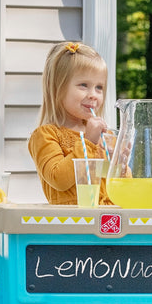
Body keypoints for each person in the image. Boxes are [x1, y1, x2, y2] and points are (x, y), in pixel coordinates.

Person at [28, 41, 113, 205]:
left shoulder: (105, 136)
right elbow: (58, 179)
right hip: (71, 226)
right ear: (58, 89)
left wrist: (120, 164)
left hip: (107, 224)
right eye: (84, 85)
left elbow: (115, 186)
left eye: (99, 87)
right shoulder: (46, 135)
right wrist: (88, 142)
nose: (93, 95)